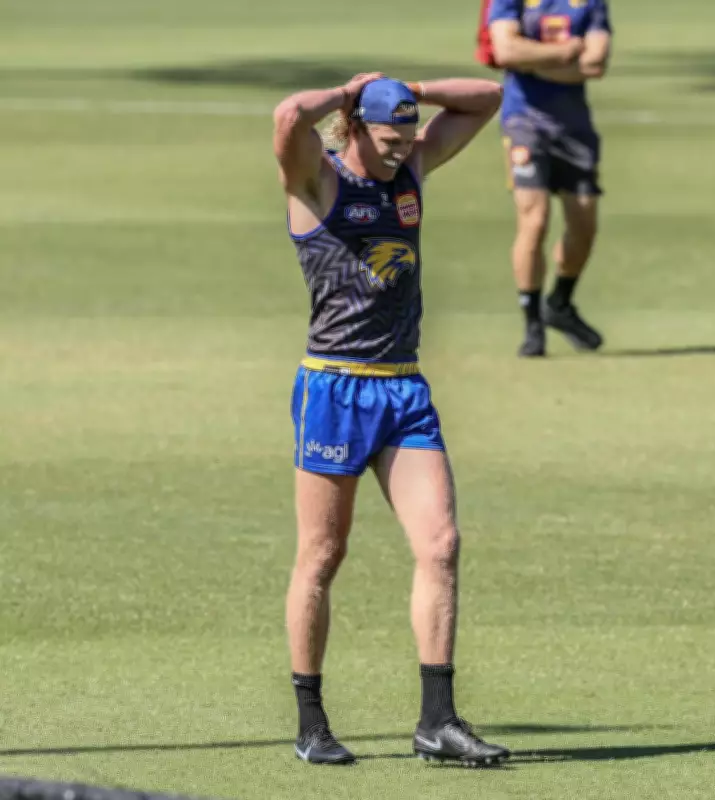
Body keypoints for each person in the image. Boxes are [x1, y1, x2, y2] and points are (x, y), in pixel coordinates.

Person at [272, 73, 510, 767]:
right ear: (354, 127)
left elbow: (488, 98)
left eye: (409, 135)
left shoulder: (410, 170)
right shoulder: (315, 182)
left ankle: (438, 722)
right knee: (322, 555)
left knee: (440, 543)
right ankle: (310, 720)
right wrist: (351, 88)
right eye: (388, 136)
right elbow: (289, 115)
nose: (402, 148)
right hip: (336, 388)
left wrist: (412, 89)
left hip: (404, 390)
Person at [485, 0, 613, 357]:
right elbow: (505, 50)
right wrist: (565, 53)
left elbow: (594, 62)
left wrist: (534, 60)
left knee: (584, 224)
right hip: (523, 122)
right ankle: (532, 323)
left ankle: (559, 303)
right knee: (534, 219)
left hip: (575, 128)